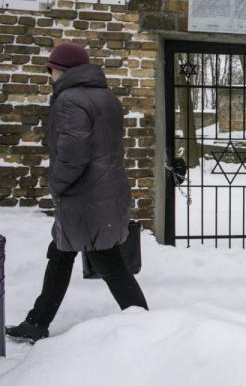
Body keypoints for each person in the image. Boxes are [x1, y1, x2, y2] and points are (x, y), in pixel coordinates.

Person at [6, 42, 148, 344]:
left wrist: (58, 184)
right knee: (63, 254)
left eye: (51, 70)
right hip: (103, 192)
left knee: (106, 262)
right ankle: (37, 321)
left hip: (83, 196)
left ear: (62, 69)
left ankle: (145, 322)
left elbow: (73, 153)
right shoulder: (106, 97)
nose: (50, 76)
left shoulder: (70, 100)